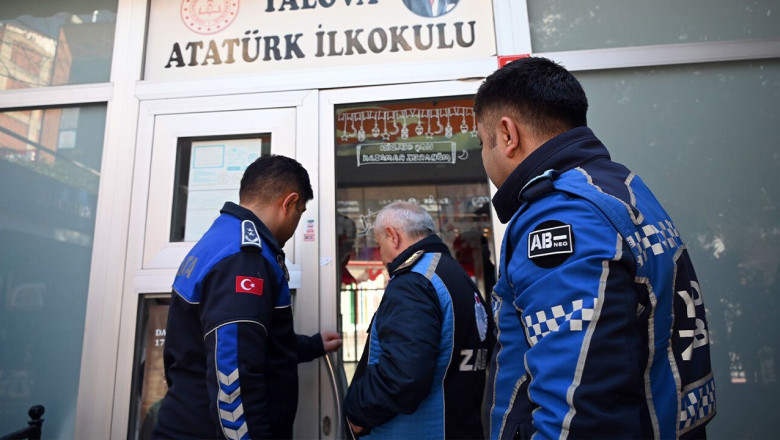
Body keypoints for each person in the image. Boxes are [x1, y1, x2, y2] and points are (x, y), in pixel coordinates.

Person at [474, 57, 716, 440]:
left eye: (482, 142)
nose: (484, 157)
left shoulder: (561, 217)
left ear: (507, 135)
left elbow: (577, 412)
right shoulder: (624, 189)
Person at [153, 155, 342, 439]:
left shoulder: (221, 238)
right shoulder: (243, 259)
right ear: (288, 203)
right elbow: (234, 375)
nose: (296, 223)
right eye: (300, 212)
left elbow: (242, 340)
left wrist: (311, 346)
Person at [345, 201, 492, 439]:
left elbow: (404, 374)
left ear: (393, 236)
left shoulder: (413, 282)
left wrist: (358, 412)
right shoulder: (455, 276)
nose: (382, 259)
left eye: (380, 246)